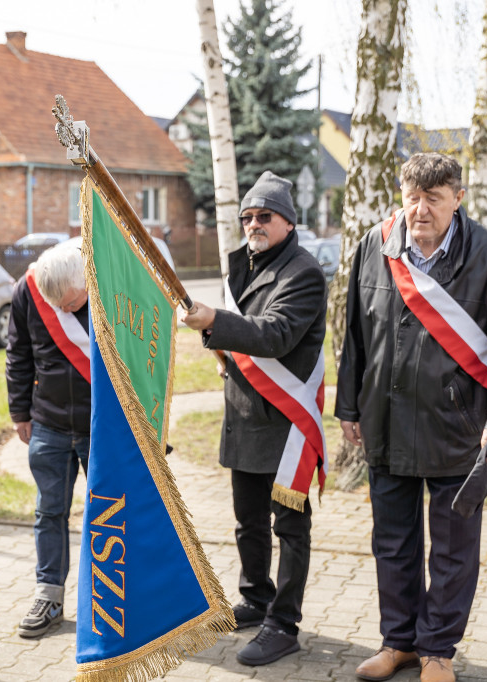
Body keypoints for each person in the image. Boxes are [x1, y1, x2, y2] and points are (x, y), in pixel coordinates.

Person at [334, 153, 487, 682]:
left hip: (460, 428)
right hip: (385, 420)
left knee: (452, 549)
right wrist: (349, 407)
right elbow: (354, 333)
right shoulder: (375, 245)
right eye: (412, 197)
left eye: (433, 198)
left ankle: (437, 650)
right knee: (392, 542)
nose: (420, 210)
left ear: (458, 199)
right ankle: (398, 642)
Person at [181, 170, 327, 667]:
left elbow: (275, 334)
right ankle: (256, 597)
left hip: (285, 422)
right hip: (244, 414)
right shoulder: (242, 265)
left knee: (290, 528)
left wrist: (213, 321)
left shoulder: (303, 272)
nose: (253, 224)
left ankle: (283, 624)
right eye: (247, 216)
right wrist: (216, 338)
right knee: (248, 522)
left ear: (288, 221)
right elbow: (239, 333)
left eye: (264, 215)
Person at [6, 244, 91, 639]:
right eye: (57, 306)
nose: (65, 311)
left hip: (101, 424)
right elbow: (19, 352)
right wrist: (19, 412)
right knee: (49, 512)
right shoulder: (27, 290)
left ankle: (116, 601)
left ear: (87, 279)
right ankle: (49, 597)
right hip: (49, 421)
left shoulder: (109, 283)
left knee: (112, 512)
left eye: (72, 303)